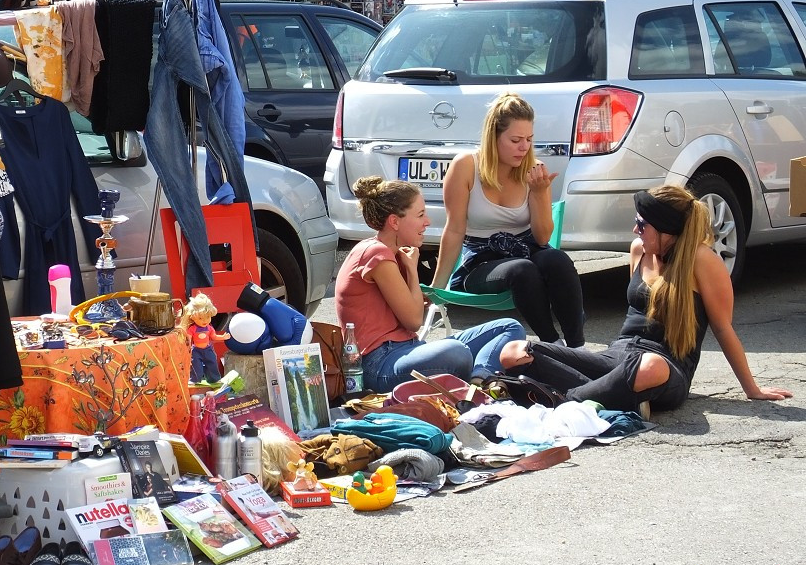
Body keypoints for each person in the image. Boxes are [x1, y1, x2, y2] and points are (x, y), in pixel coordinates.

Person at [497, 185, 793, 415]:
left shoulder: (703, 260)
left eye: (643, 225)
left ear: (668, 232)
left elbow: (723, 328)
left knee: (649, 367)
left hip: (666, 366)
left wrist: (751, 388)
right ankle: (612, 398)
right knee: (514, 351)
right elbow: (634, 312)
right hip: (617, 357)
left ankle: (569, 400)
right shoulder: (640, 249)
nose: (636, 231)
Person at [335, 176, 527, 392]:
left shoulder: (394, 253)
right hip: (379, 365)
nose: (427, 222)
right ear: (394, 222)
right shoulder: (376, 253)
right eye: (420, 215)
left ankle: (479, 379)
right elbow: (414, 321)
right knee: (457, 352)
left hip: (409, 349)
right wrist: (411, 270)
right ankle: (481, 381)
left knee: (509, 327)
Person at [430, 92, 585, 348]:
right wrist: (438, 287)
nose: (524, 147)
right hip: (482, 261)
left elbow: (543, 238)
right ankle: (552, 344)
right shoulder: (466, 166)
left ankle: (578, 347)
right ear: (494, 137)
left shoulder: (533, 169)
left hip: (528, 248)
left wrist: (538, 193)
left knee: (556, 259)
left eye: (529, 139)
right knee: (523, 270)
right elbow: (455, 229)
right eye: (515, 140)